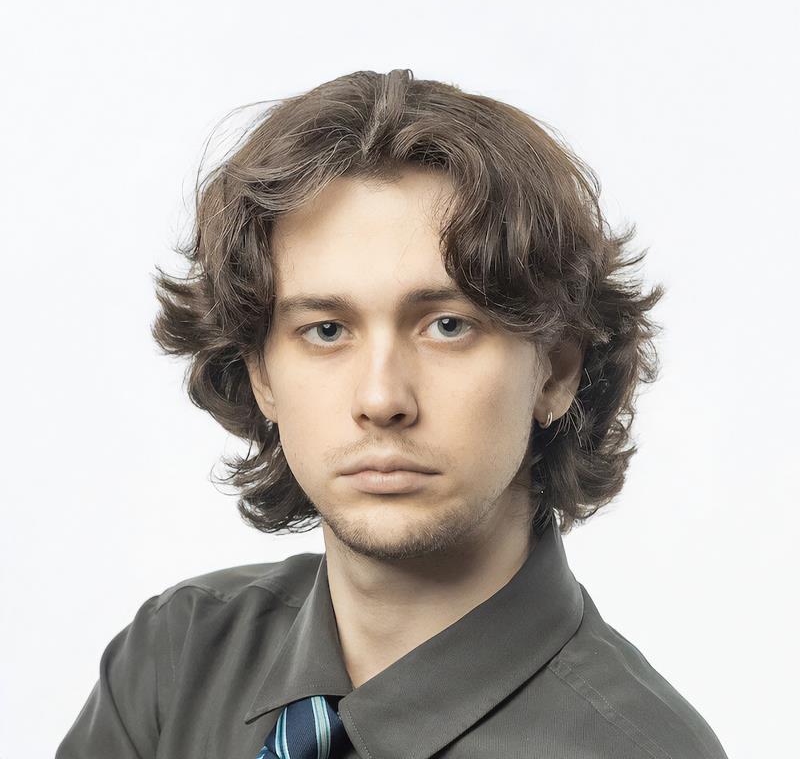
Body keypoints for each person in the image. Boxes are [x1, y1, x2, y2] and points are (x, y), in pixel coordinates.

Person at [56, 69, 729, 758]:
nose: (381, 400)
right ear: (261, 374)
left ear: (554, 371)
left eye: (447, 326)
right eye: (326, 330)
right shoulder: (174, 663)